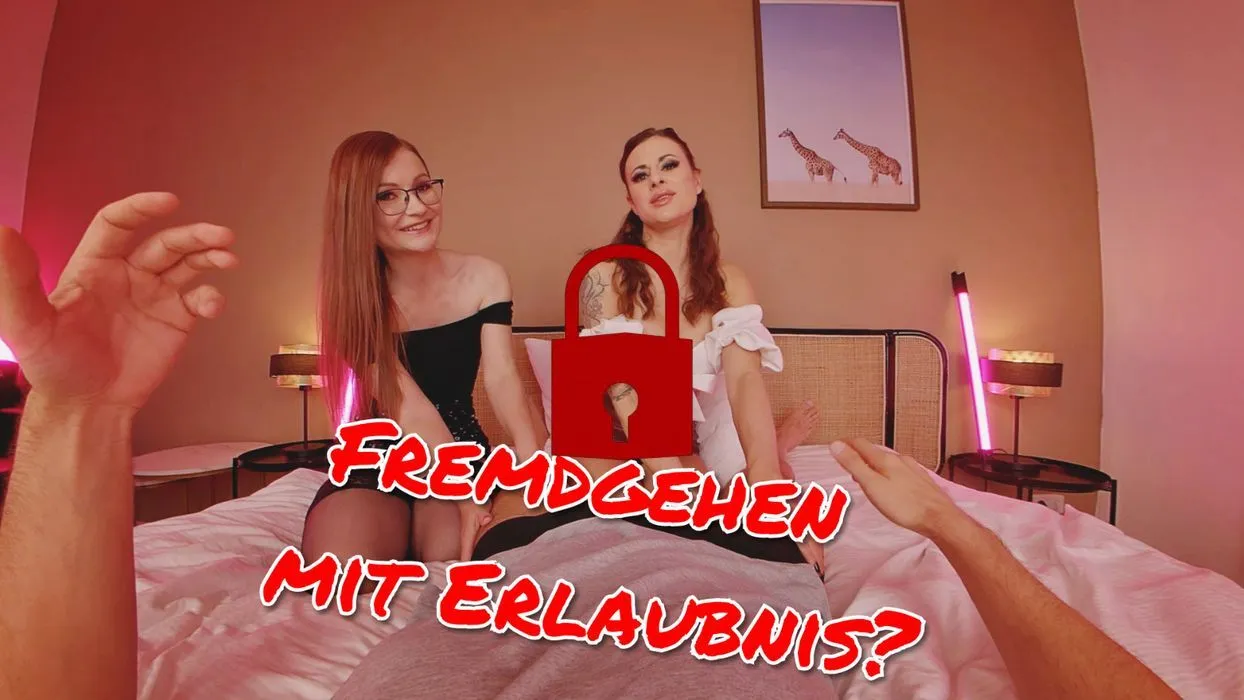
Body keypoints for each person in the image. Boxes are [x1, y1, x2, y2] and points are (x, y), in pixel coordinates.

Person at [0, 193, 1180, 700]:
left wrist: (891, 505)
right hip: (560, 553)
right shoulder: (545, 431)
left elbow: (765, 456)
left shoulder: (727, 381)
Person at [470, 127, 826, 575]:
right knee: (516, 551)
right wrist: (675, 485)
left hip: (680, 454)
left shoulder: (730, 281)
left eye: (669, 166)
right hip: (607, 455)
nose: (656, 179)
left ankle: (770, 464)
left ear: (697, 180)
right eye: (640, 176)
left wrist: (767, 488)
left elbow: (744, 380)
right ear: (632, 201)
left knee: (785, 554)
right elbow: (620, 388)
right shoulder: (604, 274)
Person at [300, 130, 547, 568]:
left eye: (422, 187)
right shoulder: (350, 298)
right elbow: (408, 408)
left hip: (458, 447)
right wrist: (465, 495)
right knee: (340, 569)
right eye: (388, 196)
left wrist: (533, 468)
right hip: (377, 458)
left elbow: (502, 377)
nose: (417, 207)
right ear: (357, 210)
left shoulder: (484, 277)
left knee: (449, 556)